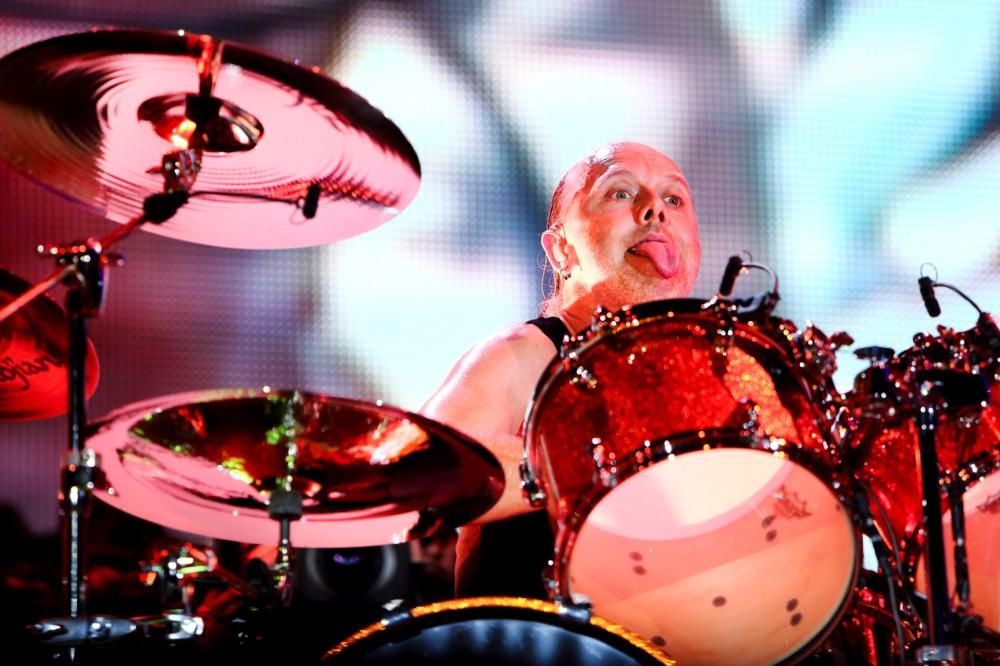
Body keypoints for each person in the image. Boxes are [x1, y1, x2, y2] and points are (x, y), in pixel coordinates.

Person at [420, 141, 702, 598]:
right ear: (561, 250)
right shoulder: (526, 353)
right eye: (620, 193)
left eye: (674, 199)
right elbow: (422, 469)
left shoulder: (719, 384)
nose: (655, 210)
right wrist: (598, 468)